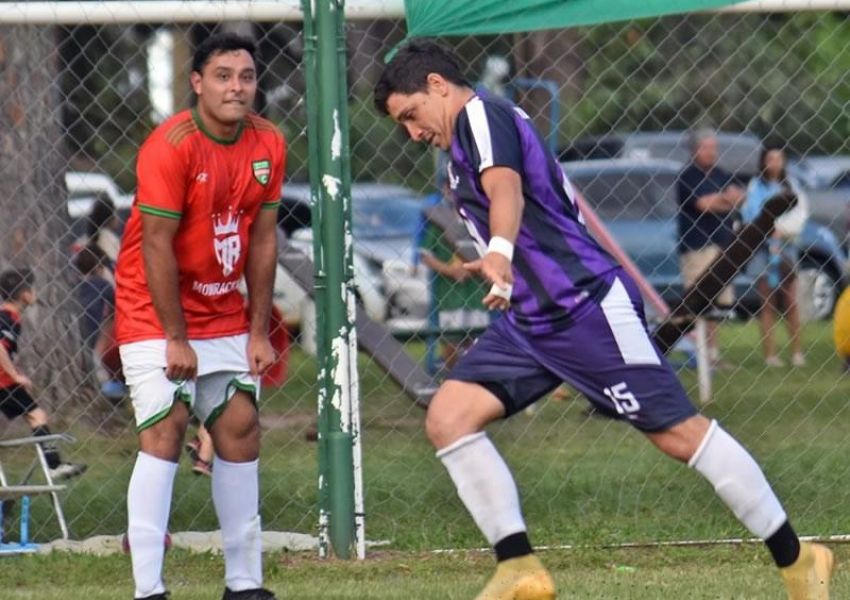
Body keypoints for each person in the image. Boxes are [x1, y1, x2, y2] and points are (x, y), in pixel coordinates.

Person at [374, 40, 831, 600]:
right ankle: (519, 567)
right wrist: (491, 259)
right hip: (532, 321)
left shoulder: (480, 116)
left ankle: (799, 559)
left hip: (585, 308)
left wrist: (499, 249)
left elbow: (506, 190)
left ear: (438, 86)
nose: (412, 132)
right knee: (449, 417)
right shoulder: (465, 138)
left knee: (680, 436)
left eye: (410, 115)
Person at [114, 33, 284, 600]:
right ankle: (148, 590)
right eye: (222, 75)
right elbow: (155, 246)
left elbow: (263, 240)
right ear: (197, 82)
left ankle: (244, 584)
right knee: (166, 431)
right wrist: (176, 339)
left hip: (224, 315)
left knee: (239, 430)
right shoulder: (171, 145)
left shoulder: (267, 142)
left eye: (246, 76)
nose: (236, 86)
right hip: (154, 312)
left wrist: (259, 331)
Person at [0, 269, 86, 480]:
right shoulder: (7, 317)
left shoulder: (9, 316)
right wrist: (15, 376)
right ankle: (54, 466)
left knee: (34, 415)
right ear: (25, 294)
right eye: (32, 288)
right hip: (3, 382)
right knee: (37, 415)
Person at [676, 129, 746, 367]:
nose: (711, 152)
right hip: (697, 246)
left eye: (713, 147)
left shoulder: (720, 174)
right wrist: (724, 199)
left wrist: (721, 199)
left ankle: (713, 355)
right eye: (706, 147)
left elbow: (739, 198)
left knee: (715, 304)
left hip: (720, 244)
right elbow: (702, 204)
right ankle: (698, 351)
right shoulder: (688, 176)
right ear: (695, 149)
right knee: (698, 301)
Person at [742, 145, 808, 368]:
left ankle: (797, 352)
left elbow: (800, 215)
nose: (775, 163)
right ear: (763, 161)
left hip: (786, 248)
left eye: (779, 158)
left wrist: (782, 229)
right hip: (763, 249)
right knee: (767, 302)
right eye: (770, 158)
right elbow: (750, 213)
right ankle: (770, 355)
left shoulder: (792, 186)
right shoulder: (755, 186)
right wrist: (766, 230)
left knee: (790, 301)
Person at [419, 193, 489, 371]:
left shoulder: (479, 223)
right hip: (450, 294)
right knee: (451, 340)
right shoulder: (439, 222)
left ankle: (473, 378)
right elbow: (425, 255)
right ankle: (452, 376)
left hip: (476, 293)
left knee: (476, 340)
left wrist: (474, 267)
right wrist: (450, 270)